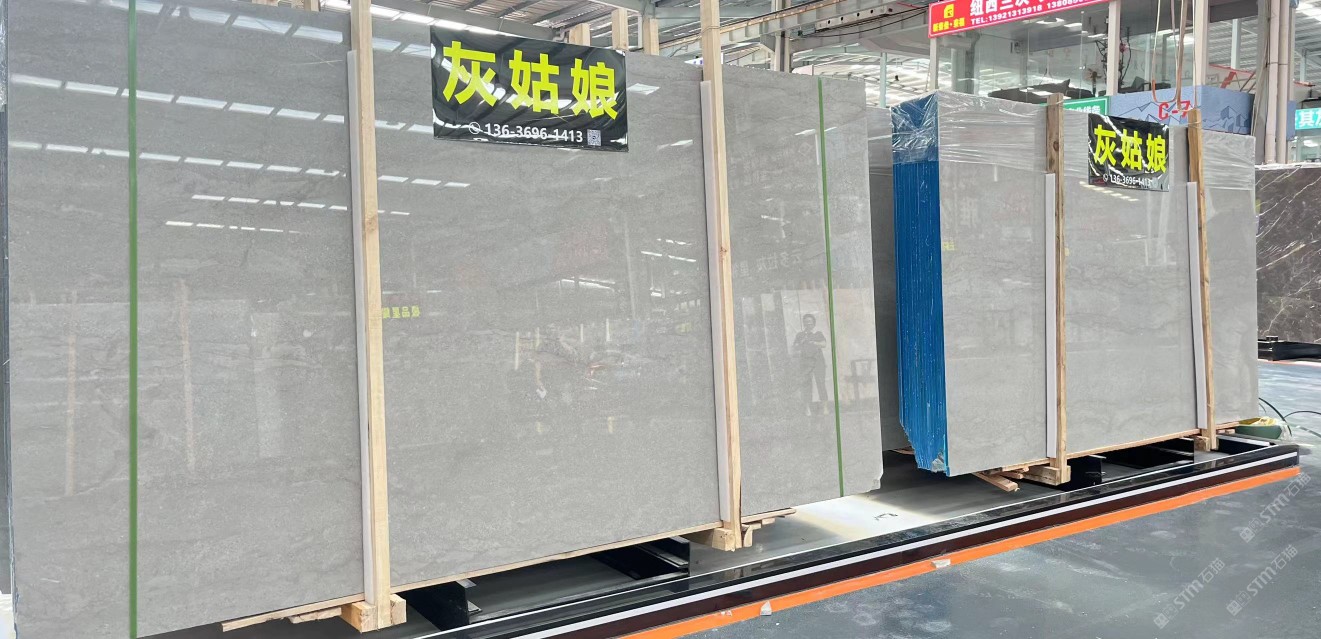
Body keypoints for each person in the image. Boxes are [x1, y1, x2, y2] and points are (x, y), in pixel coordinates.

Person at [793, 314, 830, 414]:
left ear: (814, 323)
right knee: (806, 385)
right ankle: (807, 408)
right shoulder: (800, 335)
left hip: (818, 362)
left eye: (810, 321)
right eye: (806, 321)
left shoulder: (818, 333)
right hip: (806, 363)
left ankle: (825, 407)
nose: (808, 323)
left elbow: (824, 344)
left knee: (821, 383)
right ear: (803, 323)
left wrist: (814, 343)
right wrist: (801, 342)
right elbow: (795, 347)